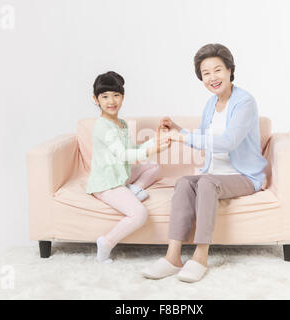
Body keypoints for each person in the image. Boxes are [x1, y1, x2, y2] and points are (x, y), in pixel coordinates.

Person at [141, 43, 268, 282]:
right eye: (206, 73)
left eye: (217, 70)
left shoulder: (245, 102)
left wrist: (181, 136)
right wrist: (176, 129)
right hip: (214, 173)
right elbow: (201, 137)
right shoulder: (211, 104)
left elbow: (228, 142)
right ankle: (172, 257)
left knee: (206, 183)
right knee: (184, 183)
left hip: (244, 176)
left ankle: (200, 256)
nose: (212, 77)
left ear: (230, 70)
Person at [86, 71, 171, 263]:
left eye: (116, 95)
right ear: (96, 99)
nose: (111, 101)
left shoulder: (121, 124)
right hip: (107, 183)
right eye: (105, 96)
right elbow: (124, 155)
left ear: (123, 97)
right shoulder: (102, 127)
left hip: (121, 175)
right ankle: (106, 242)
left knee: (154, 166)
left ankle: (134, 190)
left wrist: (156, 140)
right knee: (139, 214)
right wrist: (152, 149)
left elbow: (134, 150)